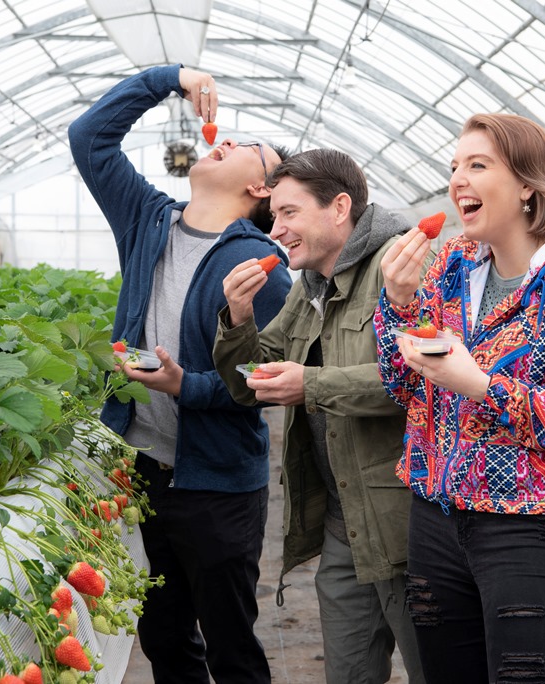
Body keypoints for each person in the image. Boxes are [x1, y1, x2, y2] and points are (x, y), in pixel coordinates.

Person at [374, 113, 545, 684]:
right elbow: (404, 387)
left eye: (478, 165)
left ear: (527, 183)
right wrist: (397, 304)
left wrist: (483, 387)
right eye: (454, 167)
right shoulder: (453, 267)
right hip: (437, 517)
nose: (457, 180)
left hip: (535, 527)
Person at [68, 64, 293, 684]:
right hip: (145, 471)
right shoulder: (147, 221)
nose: (227, 139)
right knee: (165, 639)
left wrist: (181, 385)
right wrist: (169, 79)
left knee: (230, 645)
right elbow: (90, 138)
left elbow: (261, 384)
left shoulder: (262, 265)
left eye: (248, 148)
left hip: (218, 483)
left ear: (259, 188)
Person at [213, 148, 427, 684]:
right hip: (342, 519)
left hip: (407, 522)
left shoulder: (398, 269)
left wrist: (308, 384)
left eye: (288, 213)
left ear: (338, 208)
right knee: (350, 673)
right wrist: (237, 319)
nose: (276, 228)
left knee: (437, 666)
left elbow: (416, 382)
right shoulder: (309, 289)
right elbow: (250, 384)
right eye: (274, 216)